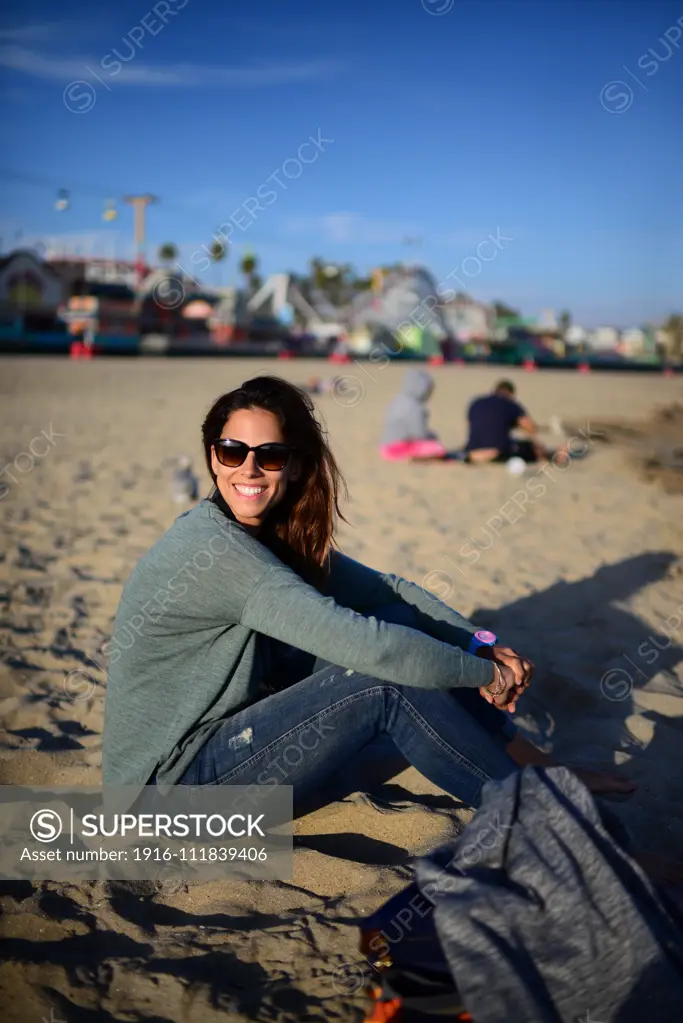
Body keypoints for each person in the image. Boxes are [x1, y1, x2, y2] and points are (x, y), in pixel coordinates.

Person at [103, 376, 633, 809]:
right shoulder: (219, 553)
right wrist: (484, 674)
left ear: (293, 464)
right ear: (212, 456)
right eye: (232, 450)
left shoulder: (263, 536)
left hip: (219, 750)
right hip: (163, 800)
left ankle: (542, 771)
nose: (248, 468)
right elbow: (377, 652)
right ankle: (561, 834)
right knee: (389, 677)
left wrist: (480, 643)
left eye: (268, 455)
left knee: (394, 627)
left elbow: (391, 592)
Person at [465, 379, 565, 465]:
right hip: (498, 451)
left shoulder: (476, 403)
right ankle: (555, 457)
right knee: (533, 446)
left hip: (472, 450)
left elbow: (473, 425)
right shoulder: (510, 404)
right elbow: (531, 429)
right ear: (510, 394)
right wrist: (516, 424)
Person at [380, 369, 448, 461]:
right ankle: (415, 457)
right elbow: (419, 434)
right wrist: (433, 436)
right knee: (438, 448)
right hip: (398, 449)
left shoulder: (398, 399)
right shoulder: (415, 406)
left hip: (385, 448)